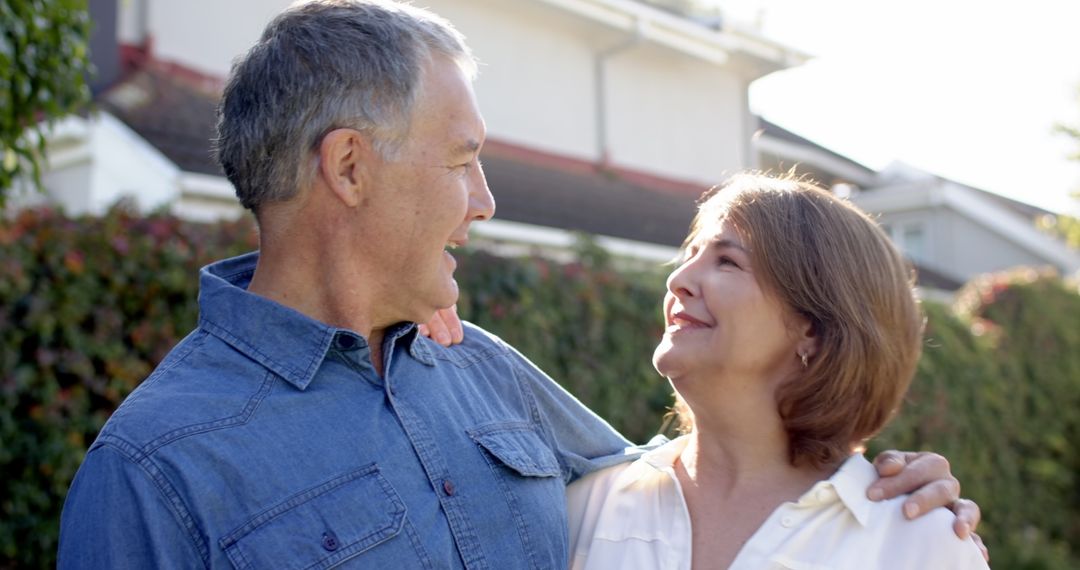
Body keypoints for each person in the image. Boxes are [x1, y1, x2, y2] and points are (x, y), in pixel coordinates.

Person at [57, 1, 978, 568]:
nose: (487, 201)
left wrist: (882, 489)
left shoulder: (487, 375)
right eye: (462, 161)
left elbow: (708, 479)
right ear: (348, 167)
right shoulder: (153, 473)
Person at [559, 173, 988, 569]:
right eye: (690, 255)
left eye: (727, 261)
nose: (678, 279)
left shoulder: (920, 544)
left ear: (813, 329)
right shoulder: (584, 506)